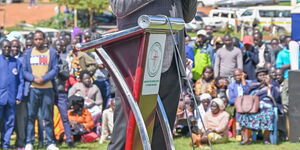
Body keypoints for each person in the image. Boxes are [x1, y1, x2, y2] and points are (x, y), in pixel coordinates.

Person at [108, 0, 197, 149]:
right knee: (125, 136)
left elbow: (187, 16)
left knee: (161, 137)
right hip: (138, 60)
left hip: (172, 59)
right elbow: (119, 7)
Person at [23, 31, 59, 150]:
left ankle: (50, 143)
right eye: (36, 39)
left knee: (48, 117)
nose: (38, 41)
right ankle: (29, 142)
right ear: (33, 40)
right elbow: (24, 71)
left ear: (44, 40)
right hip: (33, 89)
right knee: (31, 116)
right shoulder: (28, 53)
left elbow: (55, 69)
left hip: (47, 89)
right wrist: (33, 78)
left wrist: (44, 78)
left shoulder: (51, 52)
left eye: (40, 39)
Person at [238, 68, 281, 145]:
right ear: (257, 76)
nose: (262, 76)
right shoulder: (253, 83)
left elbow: (277, 96)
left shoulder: (273, 83)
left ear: (267, 75)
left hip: (266, 103)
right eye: (260, 75)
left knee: (268, 113)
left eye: (264, 75)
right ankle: (247, 139)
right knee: (243, 114)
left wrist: (268, 85)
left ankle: (265, 139)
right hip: (253, 104)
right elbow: (246, 91)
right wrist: (243, 79)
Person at [0, 40, 24, 150]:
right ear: (1, 47)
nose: (7, 49)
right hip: (0, 97)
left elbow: (21, 82)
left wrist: (19, 96)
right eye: (5, 47)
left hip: (11, 98)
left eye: (9, 47)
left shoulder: (17, 62)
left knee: (9, 122)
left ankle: (5, 144)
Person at [53, 39, 75, 147]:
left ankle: (69, 139)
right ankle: (51, 139)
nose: (59, 47)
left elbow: (66, 75)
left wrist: (59, 68)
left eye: (61, 46)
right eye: (57, 45)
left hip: (61, 92)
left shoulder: (64, 61)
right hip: (50, 91)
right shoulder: (49, 60)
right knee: (49, 116)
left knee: (65, 117)